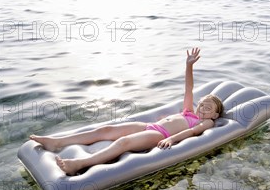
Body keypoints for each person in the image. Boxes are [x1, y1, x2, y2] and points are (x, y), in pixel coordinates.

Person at [30, 48, 224, 176]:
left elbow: (192, 133)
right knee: (105, 129)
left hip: (161, 135)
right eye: (203, 103)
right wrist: (189, 65)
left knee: (123, 143)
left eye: (210, 107)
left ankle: (79, 164)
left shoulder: (207, 122)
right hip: (149, 126)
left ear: (215, 115)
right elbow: (188, 88)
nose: (204, 107)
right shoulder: (189, 111)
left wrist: (172, 139)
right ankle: (57, 142)